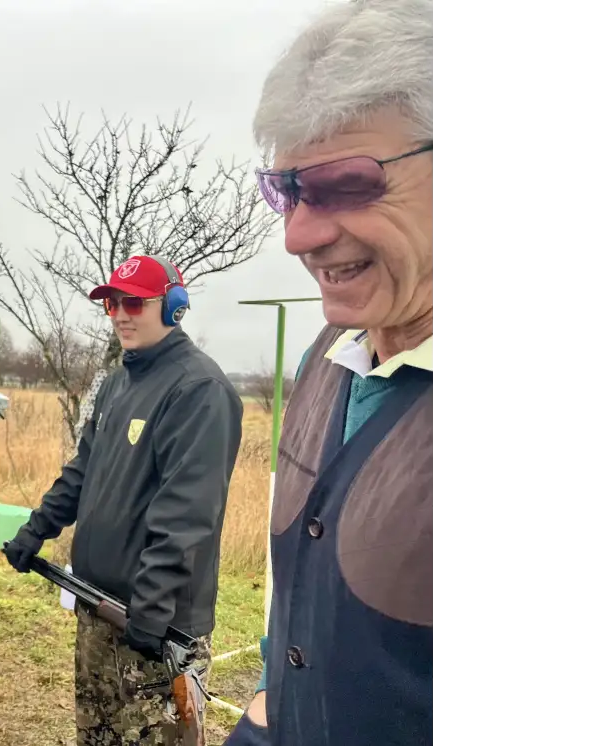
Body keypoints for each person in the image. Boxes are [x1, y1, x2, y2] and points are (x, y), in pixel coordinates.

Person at [224, 1, 438, 744]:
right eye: (286, 190)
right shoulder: (329, 350)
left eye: (347, 184)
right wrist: (264, 712)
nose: (297, 236)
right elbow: (301, 600)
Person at [2, 255, 244, 745]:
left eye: (134, 303)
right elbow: (82, 470)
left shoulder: (199, 389)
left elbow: (187, 514)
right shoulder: (118, 382)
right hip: (100, 608)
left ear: (174, 307)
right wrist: (36, 529)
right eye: (112, 303)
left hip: (157, 628)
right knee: (96, 737)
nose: (119, 315)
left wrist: (152, 607)